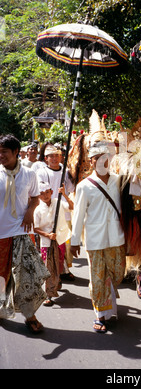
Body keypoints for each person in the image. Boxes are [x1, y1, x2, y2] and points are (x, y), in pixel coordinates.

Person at [71, 141, 126, 333]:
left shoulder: (119, 181)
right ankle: (100, 315)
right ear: (91, 162)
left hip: (117, 237)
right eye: (97, 159)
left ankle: (108, 299)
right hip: (95, 239)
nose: (102, 161)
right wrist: (74, 241)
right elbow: (78, 215)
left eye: (105, 158)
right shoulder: (84, 186)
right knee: (97, 278)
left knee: (117, 273)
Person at [0, 134, 49, 333]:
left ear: (15, 153)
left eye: (4, 152)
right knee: (1, 277)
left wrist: (30, 210)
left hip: (21, 232)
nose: (0, 155)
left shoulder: (29, 174)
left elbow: (36, 197)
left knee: (26, 278)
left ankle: (30, 316)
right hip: (1, 235)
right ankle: (2, 307)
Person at [36, 144, 75, 280]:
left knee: (63, 242)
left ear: (61, 157)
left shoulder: (65, 171)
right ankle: (50, 275)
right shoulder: (41, 172)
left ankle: (62, 270)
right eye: (51, 156)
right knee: (47, 244)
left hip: (62, 208)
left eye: (57, 155)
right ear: (46, 158)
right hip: (45, 211)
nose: (54, 158)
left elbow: (71, 187)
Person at [34, 181, 74, 306]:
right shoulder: (38, 210)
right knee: (48, 267)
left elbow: (71, 207)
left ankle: (57, 281)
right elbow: (35, 228)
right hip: (46, 243)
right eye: (42, 194)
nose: (45, 195)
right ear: (38, 196)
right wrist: (47, 235)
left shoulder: (58, 202)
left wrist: (65, 194)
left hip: (60, 239)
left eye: (47, 192)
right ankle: (49, 295)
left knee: (59, 264)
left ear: (51, 192)